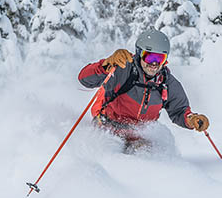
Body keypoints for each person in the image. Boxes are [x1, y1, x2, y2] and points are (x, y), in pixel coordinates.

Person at [77, 29, 209, 150]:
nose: (154, 64)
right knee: (111, 151)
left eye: (159, 58)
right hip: (108, 128)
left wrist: (191, 119)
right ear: (139, 53)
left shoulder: (166, 82)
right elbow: (84, 79)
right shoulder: (123, 68)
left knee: (147, 153)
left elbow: (179, 110)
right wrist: (106, 65)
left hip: (137, 136)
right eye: (150, 57)